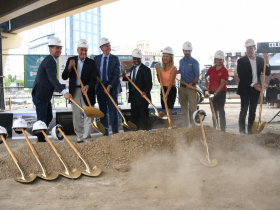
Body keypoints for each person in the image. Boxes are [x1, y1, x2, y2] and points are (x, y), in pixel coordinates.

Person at [32, 37, 72, 142]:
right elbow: (52, 79)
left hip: (44, 96)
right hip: (40, 95)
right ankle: (41, 142)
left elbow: (51, 80)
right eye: (56, 48)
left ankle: (40, 139)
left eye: (60, 48)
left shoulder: (51, 60)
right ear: (50, 49)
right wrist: (64, 92)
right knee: (42, 120)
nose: (59, 50)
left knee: (48, 117)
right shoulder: (50, 61)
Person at [62, 39, 97, 143]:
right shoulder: (71, 60)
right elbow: (64, 76)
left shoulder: (92, 62)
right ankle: (80, 137)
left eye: (86, 50)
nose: (84, 52)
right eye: (82, 50)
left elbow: (93, 79)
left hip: (87, 91)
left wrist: (87, 86)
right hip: (75, 91)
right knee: (76, 115)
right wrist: (69, 66)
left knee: (88, 115)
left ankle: (87, 137)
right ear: (77, 50)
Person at [237, 38, 270, 134]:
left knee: (252, 111)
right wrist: (253, 85)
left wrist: (267, 61)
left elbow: (267, 72)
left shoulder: (260, 60)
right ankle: (242, 132)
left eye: (251, 48)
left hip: (256, 90)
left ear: (254, 48)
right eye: (247, 48)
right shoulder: (241, 61)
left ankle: (250, 132)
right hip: (245, 89)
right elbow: (242, 76)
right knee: (243, 111)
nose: (249, 50)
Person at [94, 37, 121, 136]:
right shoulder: (96, 59)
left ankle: (115, 133)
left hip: (111, 88)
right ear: (102, 48)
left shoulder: (115, 59)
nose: (109, 47)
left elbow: (117, 74)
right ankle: (105, 134)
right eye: (106, 46)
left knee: (113, 111)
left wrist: (110, 86)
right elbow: (94, 73)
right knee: (102, 111)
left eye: (109, 45)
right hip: (100, 88)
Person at [122, 48, 152, 130]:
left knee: (144, 118)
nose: (136, 60)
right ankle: (137, 135)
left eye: (138, 58)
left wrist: (146, 92)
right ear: (133, 59)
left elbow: (149, 83)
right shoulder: (132, 69)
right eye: (135, 58)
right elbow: (133, 81)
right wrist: (125, 78)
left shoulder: (146, 70)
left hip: (142, 98)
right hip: (133, 98)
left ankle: (146, 135)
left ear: (140, 58)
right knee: (134, 118)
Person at [205, 50, 229, 131]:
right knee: (214, 111)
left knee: (221, 111)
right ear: (214, 59)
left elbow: (221, 85)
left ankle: (223, 130)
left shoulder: (225, 70)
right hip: (211, 91)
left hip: (221, 92)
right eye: (217, 59)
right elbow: (206, 75)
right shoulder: (211, 68)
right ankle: (215, 128)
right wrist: (206, 80)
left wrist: (214, 94)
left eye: (220, 59)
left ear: (223, 60)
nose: (218, 61)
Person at [178, 41, 200, 127]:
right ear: (183, 50)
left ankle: (194, 130)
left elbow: (197, 76)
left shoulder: (195, 62)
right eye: (186, 50)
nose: (187, 52)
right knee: (184, 111)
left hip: (191, 89)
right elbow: (180, 71)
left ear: (191, 51)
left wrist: (192, 83)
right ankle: (187, 129)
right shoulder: (181, 61)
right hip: (182, 89)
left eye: (189, 51)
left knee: (193, 110)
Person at [155, 46, 177, 128]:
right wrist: (157, 72)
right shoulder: (162, 68)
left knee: (169, 112)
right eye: (164, 56)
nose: (165, 58)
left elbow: (171, 83)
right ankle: (167, 128)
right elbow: (160, 81)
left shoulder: (173, 68)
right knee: (164, 112)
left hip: (170, 91)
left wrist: (167, 94)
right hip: (163, 89)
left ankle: (172, 130)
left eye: (167, 56)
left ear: (171, 58)